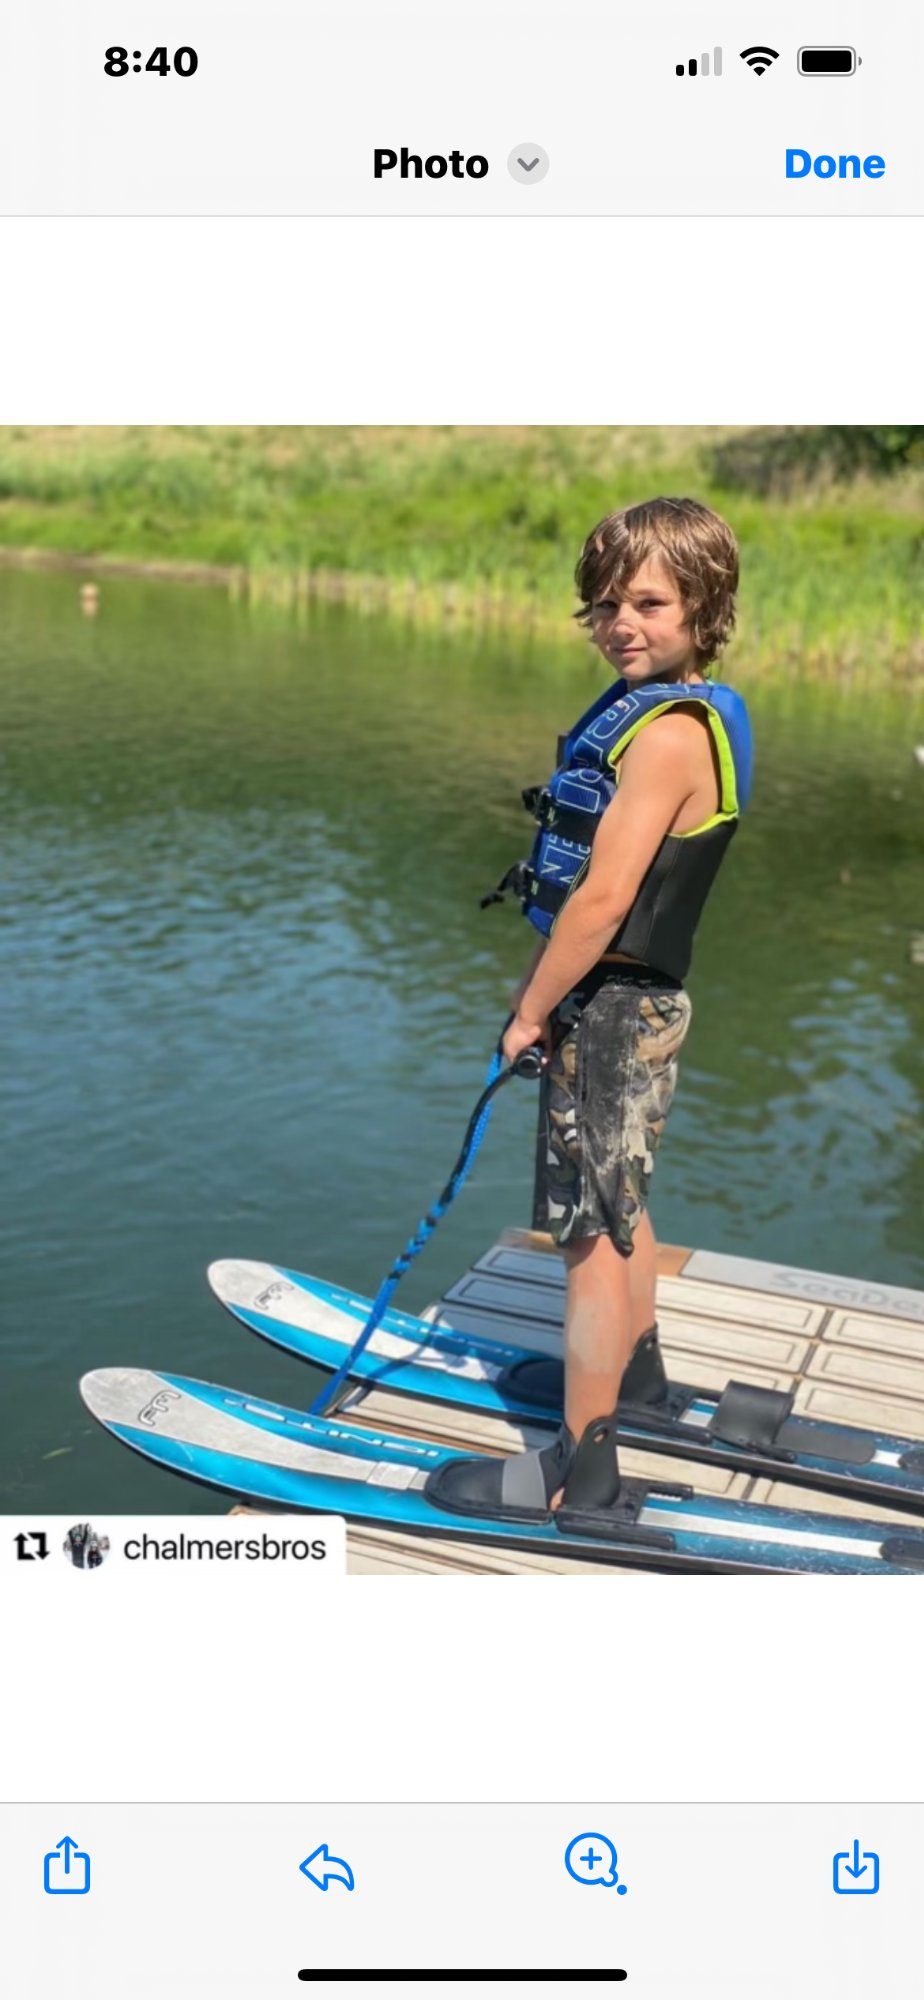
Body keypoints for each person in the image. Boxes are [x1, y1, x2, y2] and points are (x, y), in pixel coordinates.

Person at [430, 497, 752, 1521]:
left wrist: (529, 1007)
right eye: (606, 603)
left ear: (705, 606)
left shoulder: (664, 740)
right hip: (631, 1004)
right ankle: (638, 1380)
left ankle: (583, 1464)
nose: (623, 621)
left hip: (611, 1007)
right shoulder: (685, 707)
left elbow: (607, 896)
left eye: (650, 601)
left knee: (588, 1236)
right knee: (622, 1203)